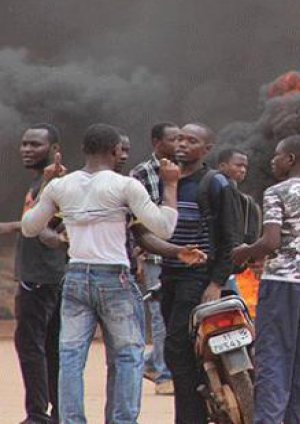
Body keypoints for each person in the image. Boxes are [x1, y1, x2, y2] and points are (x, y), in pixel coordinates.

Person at [20, 124, 181, 424]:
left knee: (70, 358)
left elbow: (30, 227)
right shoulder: (124, 186)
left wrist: (47, 184)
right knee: (128, 356)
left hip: (76, 278)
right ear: (116, 151)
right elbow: (165, 228)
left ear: (84, 150)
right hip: (115, 280)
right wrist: (171, 186)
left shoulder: (60, 186)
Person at [231, 135, 300, 424]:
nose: (273, 160)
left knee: (273, 354)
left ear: (290, 159)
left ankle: (269, 419)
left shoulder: (276, 192)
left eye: (277, 156)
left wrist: (244, 252)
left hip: (282, 283)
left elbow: (270, 240)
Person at [158, 122, 243, 424]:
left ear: (206, 149)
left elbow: (230, 238)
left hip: (198, 279)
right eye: (179, 138)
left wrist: (217, 282)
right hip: (169, 276)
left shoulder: (215, 183)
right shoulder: (166, 180)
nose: (181, 144)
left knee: (178, 349)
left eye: (191, 141)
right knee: (182, 352)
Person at [0, 124, 67, 424]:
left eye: (35, 145)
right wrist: (13, 227)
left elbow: (49, 228)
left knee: (30, 344)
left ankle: (38, 414)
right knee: (50, 344)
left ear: (54, 150)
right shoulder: (41, 183)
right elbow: (34, 221)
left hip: (40, 276)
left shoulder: (54, 184)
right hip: (46, 275)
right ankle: (57, 411)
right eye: (25, 144)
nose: (27, 149)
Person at [129, 122, 180, 395]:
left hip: (182, 253)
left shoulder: (187, 170)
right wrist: (138, 255)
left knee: (175, 315)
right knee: (160, 316)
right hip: (154, 256)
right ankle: (164, 375)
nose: (179, 144)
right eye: (173, 139)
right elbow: (136, 221)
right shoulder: (140, 173)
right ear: (156, 143)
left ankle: (150, 362)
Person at [216, 147, 260, 295]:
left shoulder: (246, 201)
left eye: (245, 167)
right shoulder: (213, 192)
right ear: (222, 166)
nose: (242, 170)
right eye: (238, 165)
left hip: (234, 266)